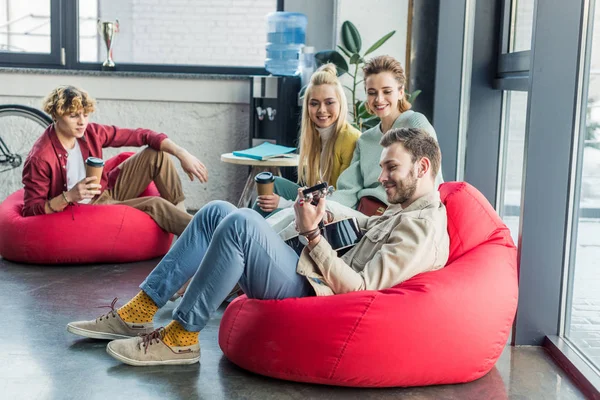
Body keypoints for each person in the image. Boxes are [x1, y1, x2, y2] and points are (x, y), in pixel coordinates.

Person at [66, 127, 450, 367]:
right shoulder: (404, 211)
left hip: (315, 290)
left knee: (243, 223)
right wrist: (326, 215)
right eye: (382, 167)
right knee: (217, 210)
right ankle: (141, 308)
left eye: (391, 169)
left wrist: (313, 237)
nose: (381, 178)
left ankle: (182, 337)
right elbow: (366, 229)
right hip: (308, 268)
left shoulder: (422, 229)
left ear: (422, 167)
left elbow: (360, 289)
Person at [266, 55, 444, 239]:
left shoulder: (415, 122)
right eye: (372, 92)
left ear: (400, 92)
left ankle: (261, 241)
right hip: (364, 216)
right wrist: (324, 209)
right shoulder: (366, 139)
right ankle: (258, 236)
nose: (379, 99)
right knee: (302, 213)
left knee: (303, 217)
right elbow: (348, 190)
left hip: (394, 218)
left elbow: (433, 180)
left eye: (387, 91)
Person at [21, 85, 208, 236]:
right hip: (85, 210)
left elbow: (141, 135)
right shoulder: (40, 157)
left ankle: (183, 220)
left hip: (104, 192)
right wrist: (69, 196)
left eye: (85, 114)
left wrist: (182, 153)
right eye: (73, 116)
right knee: (154, 204)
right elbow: (30, 210)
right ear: (56, 115)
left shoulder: (91, 133)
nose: (82, 122)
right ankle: (208, 237)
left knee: (156, 154)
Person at [253, 63, 360, 217]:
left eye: (329, 102)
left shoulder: (350, 138)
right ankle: (252, 231)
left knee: (270, 209)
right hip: (318, 203)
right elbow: (314, 194)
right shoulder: (314, 137)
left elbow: (340, 201)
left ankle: (252, 234)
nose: (321, 110)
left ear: (341, 104)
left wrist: (283, 204)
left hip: (335, 214)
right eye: (314, 103)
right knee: (272, 185)